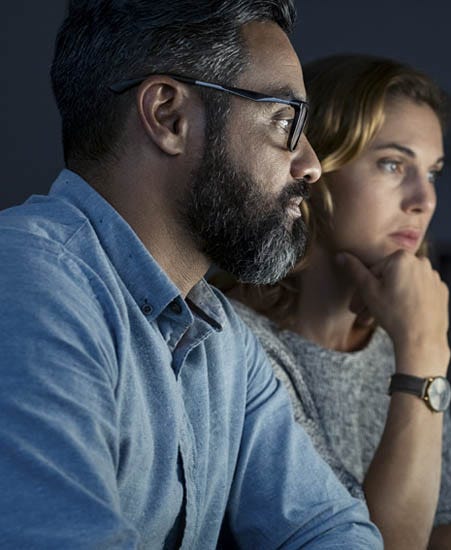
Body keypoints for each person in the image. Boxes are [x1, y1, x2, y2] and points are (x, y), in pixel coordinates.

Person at [0, 1, 383, 547]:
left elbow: (326, 527)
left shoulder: (223, 340)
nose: (311, 164)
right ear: (169, 116)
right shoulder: (29, 288)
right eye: (284, 121)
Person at [227, 54, 451, 549]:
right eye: (393, 164)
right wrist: (424, 356)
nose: (424, 200)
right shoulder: (236, 343)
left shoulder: (396, 336)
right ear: (314, 166)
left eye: (432, 173)